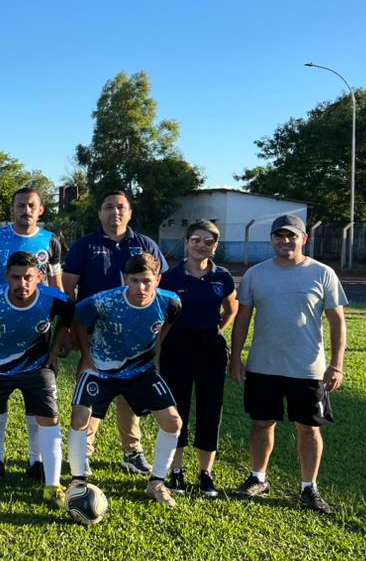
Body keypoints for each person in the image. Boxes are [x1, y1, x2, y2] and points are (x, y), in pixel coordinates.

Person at [229, 214, 347, 514]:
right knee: (261, 423)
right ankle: (258, 478)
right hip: (263, 365)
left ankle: (309, 488)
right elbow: (242, 319)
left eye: (291, 235)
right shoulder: (255, 274)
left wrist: (336, 364)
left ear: (303, 238)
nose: (285, 241)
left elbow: (337, 322)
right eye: (279, 236)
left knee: (309, 428)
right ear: (272, 239)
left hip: (307, 368)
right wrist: (236, 357)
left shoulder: (322, 273)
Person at [0, 251, 75, 508]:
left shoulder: (53, 299)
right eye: (16, 277)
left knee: (50, 419)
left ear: (39, 276)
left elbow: (68, 317)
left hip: (36, 367)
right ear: (6, 276)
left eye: (28, 277)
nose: (22, 283)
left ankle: (53, 486)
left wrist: (54, 352)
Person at [61, 191, 168, 475]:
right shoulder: (85, 245)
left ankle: (132, 452)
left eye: (121, 207)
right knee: (93, 391)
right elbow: (67, 289)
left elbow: (160, 287)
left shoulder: (145, 244)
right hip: (95, 334)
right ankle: (83, 452)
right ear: (100, 213)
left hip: (136, 336)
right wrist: (69, 329)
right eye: (108, 207)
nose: (115, 212)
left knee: (130, 393)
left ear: (130, 213)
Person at [68, 253, 184, 508]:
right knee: (80, 417)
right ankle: (77, 481)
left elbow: (168, 322)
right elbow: (78, 317)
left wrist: (156, 350)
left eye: (147, 281)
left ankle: (156, 483)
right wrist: (86, 356)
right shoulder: (104, 301)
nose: (140, 287)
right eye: (134, 280)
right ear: (125, 279)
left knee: (173, 421)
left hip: (141, 371)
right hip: (102, 370)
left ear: (158, 280)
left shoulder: (170, 302)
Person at [0, 187, 66, 481]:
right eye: (21, 205)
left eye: (31, 205)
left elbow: (57, 285)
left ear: (41, 210)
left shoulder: (51, 240)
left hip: (36, 335)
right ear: (12, 209)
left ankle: (35, 460)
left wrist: (62, 336)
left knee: (36, 401)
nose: (26, 210)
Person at [158, 220, 238, 498]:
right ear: (187, 242)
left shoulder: (223, 277)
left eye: (208, 241)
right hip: (177, 348)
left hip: (210, 349)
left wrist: (216, 330)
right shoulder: (170, 277)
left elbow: (231, 309)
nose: (201, 245)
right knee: (177, 409)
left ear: (216, 246)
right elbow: (161, 316)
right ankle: (176, 471)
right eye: (196, 240)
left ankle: (206, 473)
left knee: (210, 408)